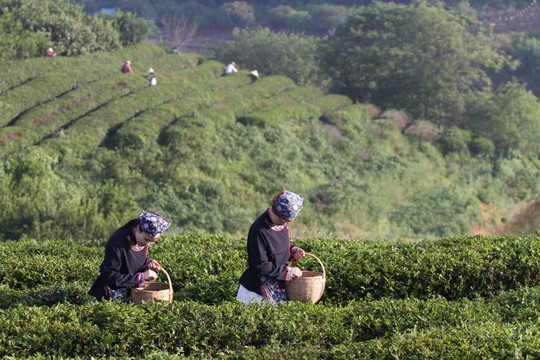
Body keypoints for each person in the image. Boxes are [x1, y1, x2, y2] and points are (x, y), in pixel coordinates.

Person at [237, 190, 306, 305]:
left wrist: (293, 252)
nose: (284, 225)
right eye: (282, 221)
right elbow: (261, 265)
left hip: (278, 285)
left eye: (287, 222)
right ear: (274, 211)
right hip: (256, 293)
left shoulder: (281, 222)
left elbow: (276, 250)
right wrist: (288, 272)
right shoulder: (259, 230)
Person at [88, 211, 171, 302]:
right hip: (109, 296)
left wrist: (148, 262)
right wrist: (142, 277)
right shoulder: (117, 243)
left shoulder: (140, 239)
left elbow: (132, 261)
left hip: (131, 292)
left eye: (151, 242)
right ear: (138, 228)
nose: (147, 244)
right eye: (146, 239)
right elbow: (110, 276)